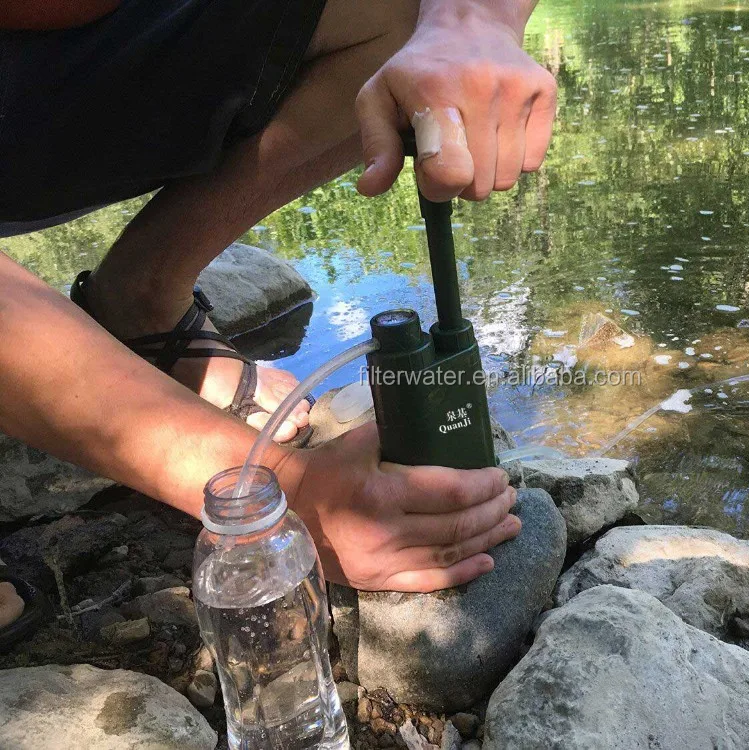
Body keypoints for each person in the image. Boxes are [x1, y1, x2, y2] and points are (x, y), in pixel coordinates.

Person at [0, 0, 556, 592]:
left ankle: (140, 298)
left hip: (72, 61)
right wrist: (277, 488)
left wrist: (471, 22)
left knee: (405, 10)